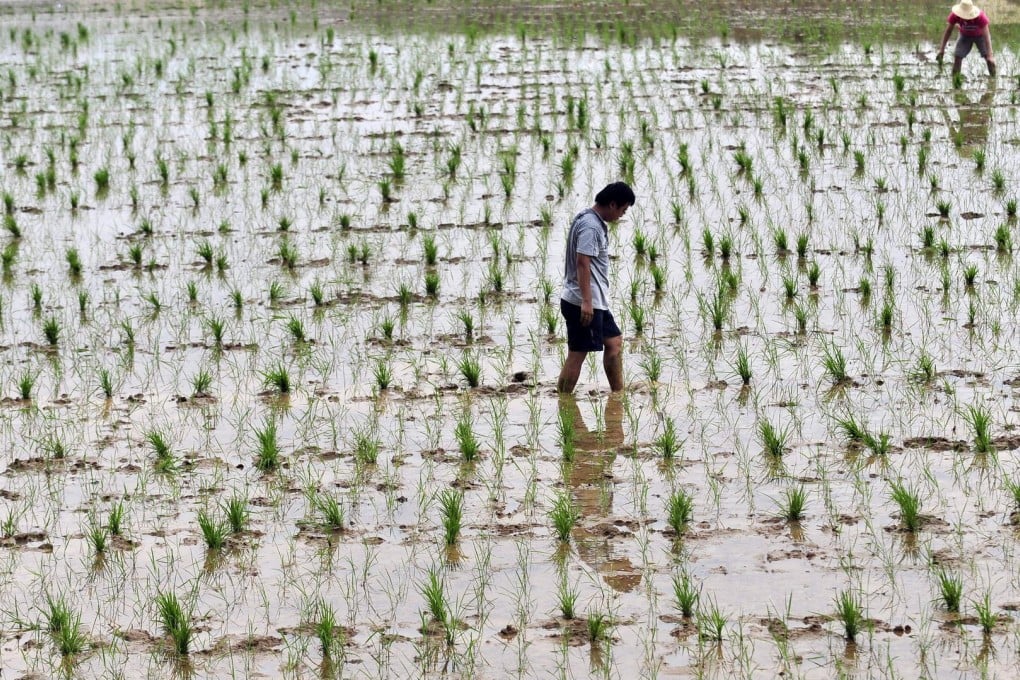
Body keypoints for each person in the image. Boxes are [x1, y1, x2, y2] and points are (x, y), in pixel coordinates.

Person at [557, 181, 635, 394]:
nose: (622, 215)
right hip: (583, 301)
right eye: (623, 209)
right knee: (577, 353)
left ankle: (618, 395)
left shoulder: (588, 218)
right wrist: (587, 302)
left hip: (594, 300)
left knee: (614, 343)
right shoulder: (591, 226)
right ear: (612, 204)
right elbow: (583, 262)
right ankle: (563, 401)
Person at [936, 0, 996, 77]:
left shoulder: (980, 16)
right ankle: (955, 81)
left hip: (980, 36)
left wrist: (990, 55)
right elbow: (948, 32)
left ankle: (993, 80)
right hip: (964, 36)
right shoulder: (955, 15)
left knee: (989, 60)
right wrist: (941, 49)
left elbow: (987, 36)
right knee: (958, 57)